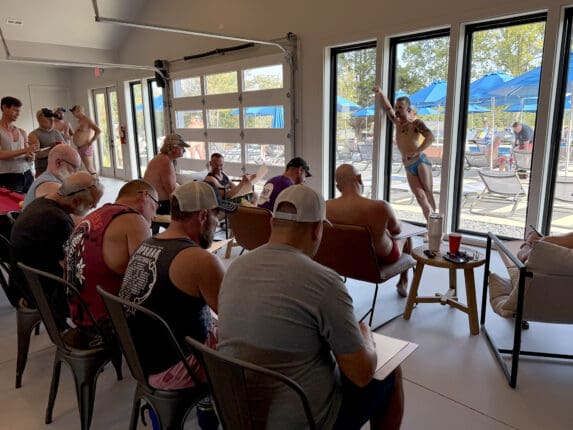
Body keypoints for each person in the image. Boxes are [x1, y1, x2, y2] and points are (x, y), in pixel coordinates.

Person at [218, 185, 404, 429]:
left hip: (238, 414)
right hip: (305, 420)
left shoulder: (235, 268)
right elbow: (361, 374)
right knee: (390, 371)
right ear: (317, 229)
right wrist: (366, 334)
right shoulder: (324, 282)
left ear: (273, 222)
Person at [119, 181, 235, 389]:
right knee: (250, 344)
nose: (217, 222)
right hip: (176, 369)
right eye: (216, 216)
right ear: (203, 216)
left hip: (140, 361)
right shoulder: (201, 260)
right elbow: (234, 320)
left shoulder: (146, 244)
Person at [64, 180, 158, 348]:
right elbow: (151, 281)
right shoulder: (134, 220)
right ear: (145, 196)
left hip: (79, 317)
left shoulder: (93, 216)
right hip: (106, 326)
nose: (155, 216)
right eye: (156, 206)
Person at [11, 172, 103, 328]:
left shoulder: (42, 202)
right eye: (91, 204)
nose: (94, 207)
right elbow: (72, 267)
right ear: (75, 201)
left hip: (23, 281)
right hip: (39, 291)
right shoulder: (56, 219)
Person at [326, 164, 412, 297]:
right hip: (379, 259)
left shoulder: (326, 207)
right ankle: (403, 281)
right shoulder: (381, 206)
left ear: (338, 187)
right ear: (359, 179)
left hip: (344, 258)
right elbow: (396, 231)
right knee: (407, 237)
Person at [373, 86, 436, 220]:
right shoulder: (397, 123)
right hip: (408, 165)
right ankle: (430, 225)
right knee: (420, 197)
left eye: (400, 107)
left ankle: (437, 227)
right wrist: (381, 93)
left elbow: (430, 137)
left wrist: (418, 151)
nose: (397, 110)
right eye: (396, 107)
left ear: (408, 109)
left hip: (420, 161)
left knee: (428, 193)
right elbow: (388, 108)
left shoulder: (416, 123)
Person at [23, 143, 81, 209]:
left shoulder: (48, 178)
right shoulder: (50, 185)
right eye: (74, 167)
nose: (76, 172)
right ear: (59, 163)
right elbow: (78, 211)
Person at [143, 133, 189, 215]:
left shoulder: (161, 158)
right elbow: (172, 191)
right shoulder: (165, 162)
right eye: (182, 147)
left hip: (153, 202)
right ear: (173, 148)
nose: (184, 150)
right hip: (160, 205)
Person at [0, 96, 36, 193]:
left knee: (31, 201)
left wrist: (31, 156)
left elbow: (28, 156)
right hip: (8, 176)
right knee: (14, 203)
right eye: (15, 110)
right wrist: (24, 150)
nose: (18, 114)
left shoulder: (22, 132)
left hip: (27, 174)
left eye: (19, 111)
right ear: (4, 108)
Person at [28, 108, 66, 176]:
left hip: (60, 169)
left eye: (52, 117)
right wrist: (53, 148)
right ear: (39, 119)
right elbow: (37, 154)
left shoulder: (56, 132)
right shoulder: (34, 134)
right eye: (48, 117)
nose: (51, 119)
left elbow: (66, 148)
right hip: (44, 171)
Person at [71, 104, 101, 175]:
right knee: (84, 167)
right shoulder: (79, 121)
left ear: (78, 111)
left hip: (86, 147)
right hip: (80, 147)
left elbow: (98, 130)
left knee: (89, 167)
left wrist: (91, 141)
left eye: (73, 112)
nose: (73, 114)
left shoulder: (87, 120)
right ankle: (91, 180)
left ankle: (96, 181)